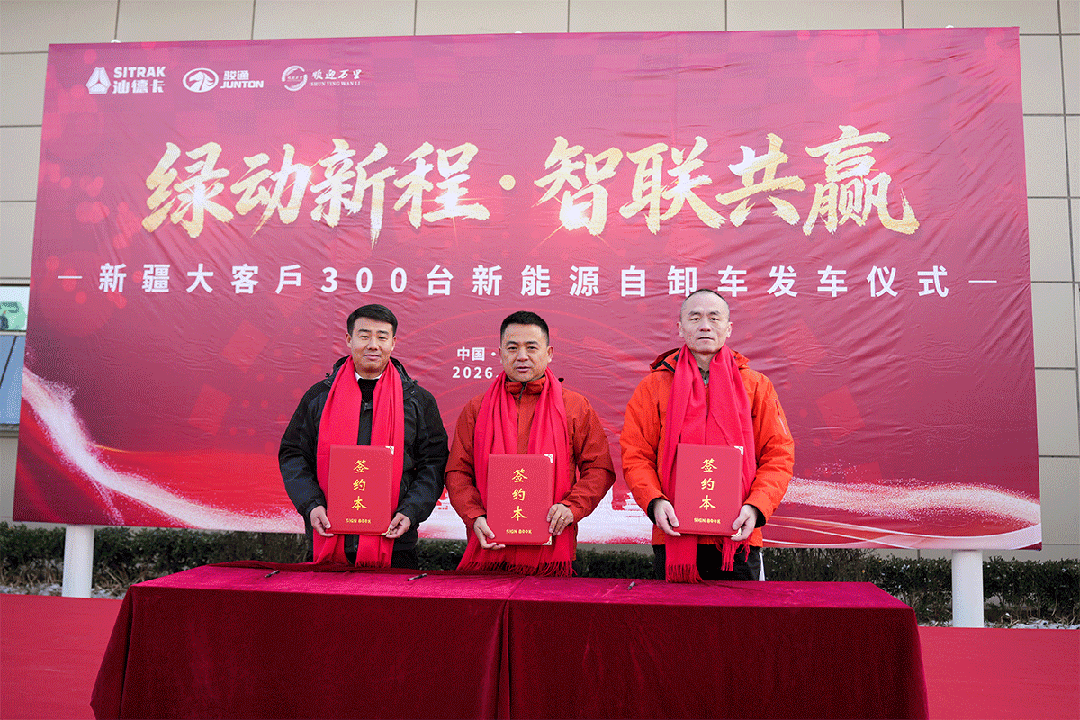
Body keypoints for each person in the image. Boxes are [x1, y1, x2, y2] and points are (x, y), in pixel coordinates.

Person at [621, 289, 794, 582]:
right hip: (674, 532)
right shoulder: (653, 387)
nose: (705, 326)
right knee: (674, 612)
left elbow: (778, 455)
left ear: (728, 328)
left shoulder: (756, 386)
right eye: (695, 318)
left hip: (738, 535)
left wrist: (757, 506)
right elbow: (636, 454)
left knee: (738, 613)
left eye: (714, 318)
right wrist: (654, 501)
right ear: (680, 328)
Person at [445, 310, 616, 576]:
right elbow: (458, 471)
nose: (522, 356)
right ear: (500, 353)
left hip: (552, 552)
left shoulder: (574, 407)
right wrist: (474, 515)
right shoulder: (477, 409)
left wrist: (571, 508)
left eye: (531, 347)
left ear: (549, 353)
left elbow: (599, 468)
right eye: (512, 348)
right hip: (491, 547)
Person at [280, 304, 448, 569]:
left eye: (382, 337)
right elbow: (293, 456)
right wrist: (311, 505)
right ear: (349, 340)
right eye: (364, 335)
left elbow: (434, 464)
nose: (373, 345)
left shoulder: (417, 401)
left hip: (395, 542)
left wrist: (410, 511)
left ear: (393, 343)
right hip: (328, 536)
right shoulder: (319, 397)